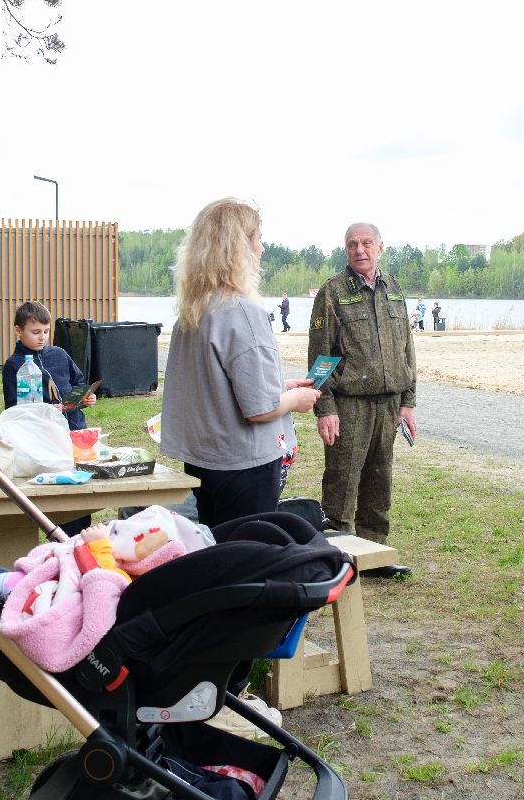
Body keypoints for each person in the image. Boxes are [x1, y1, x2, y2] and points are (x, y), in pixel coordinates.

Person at [160, 198, 320, 531]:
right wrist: (295, 400)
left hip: (204, 460)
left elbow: (218, 388)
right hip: (243, 464)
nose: (262, 249)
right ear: (238, 248)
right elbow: (260, 409)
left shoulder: (194, 310)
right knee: (246, 555)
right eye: (257, 239)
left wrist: (280, 388)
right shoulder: (242, 311)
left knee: (216, 548)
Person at [307, 222, 416, 577]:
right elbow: (320, 356)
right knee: (342, 483)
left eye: (367, 243)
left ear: (380, 248)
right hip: (349, 404)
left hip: (388, 403)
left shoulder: (394, 288)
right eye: (352, 244)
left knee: (379, 483)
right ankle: (336, 561)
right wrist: (324, 408)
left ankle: (374, 556)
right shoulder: (333, 292)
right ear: (346, 250)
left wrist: (408, 402)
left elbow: (406, 349)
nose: (360, 250)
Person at [1, 301, 96, 428]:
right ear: (18, 331)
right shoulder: (13, 365)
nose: (42, 337)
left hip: (75, 426)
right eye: (36, 332)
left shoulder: (60, 354)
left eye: (46, 331)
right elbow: (13, 409)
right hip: (43, 431)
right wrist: (46, 411)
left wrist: (86, 397)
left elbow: (78, 384)